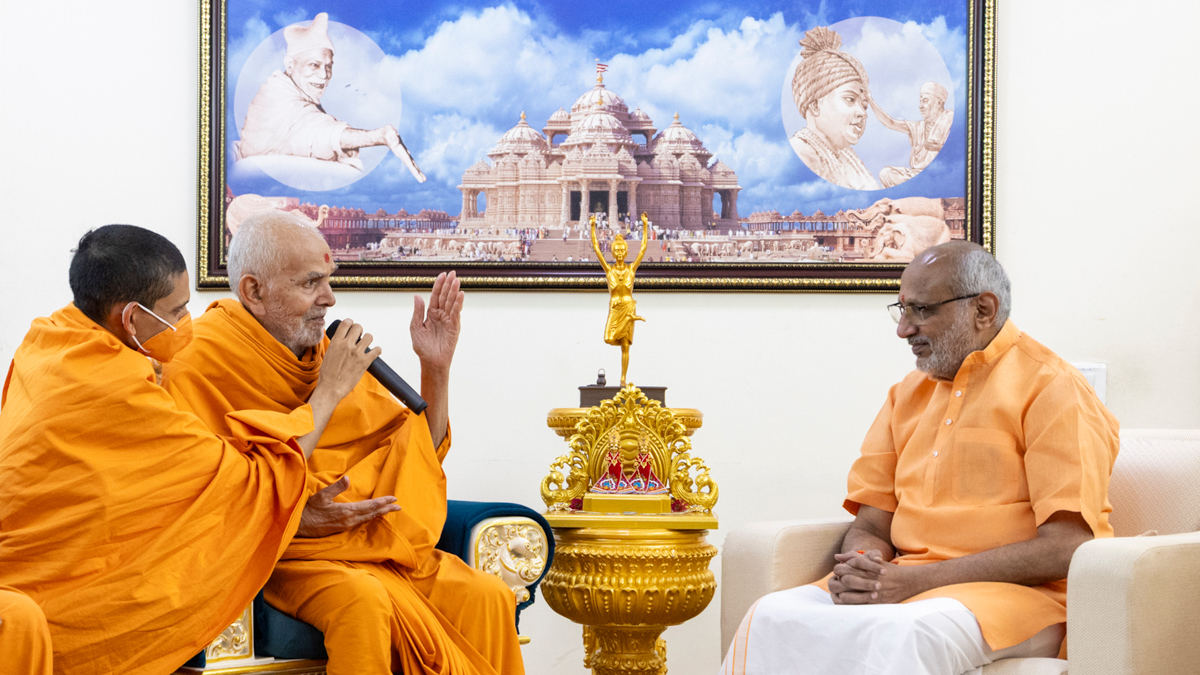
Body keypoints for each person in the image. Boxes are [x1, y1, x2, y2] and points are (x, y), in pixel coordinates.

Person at [722, 241, 1119, 675]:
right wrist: (863, 566)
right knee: (772, 616)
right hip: (905, 583)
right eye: (902, 309)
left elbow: (1069, 544)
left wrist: (914, 582)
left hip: (1020, 597)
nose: (904, 330)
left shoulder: (1053, 388)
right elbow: (873, 524)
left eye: (922, 311)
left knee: (902, 632)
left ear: (983, 310)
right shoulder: (906, 395)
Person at [0, 225, 377, 674]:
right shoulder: (116, 388)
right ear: (131, 317)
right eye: (177, 311)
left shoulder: (49, 340)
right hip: (49, 581)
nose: (186, 324)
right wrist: (330, 390)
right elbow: (247, 479)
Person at [163, 212, 523, 675]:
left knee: (486, 594)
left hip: (366, 543)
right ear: (254, 291)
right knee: (363, 602)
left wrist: (435, 370)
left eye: (328, 280)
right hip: (283, 555)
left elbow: (415, 455)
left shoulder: (328, 354)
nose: (329, 298)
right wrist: (298, 513)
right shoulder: (198, 363)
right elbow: (209, 496)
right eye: (311, 283)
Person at [236, 13, 425, 182]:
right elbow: (321, 134)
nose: (325, 75)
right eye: (314, 65)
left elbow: (317, 128)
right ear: (290, 64)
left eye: (329, 66)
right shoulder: (276, 95)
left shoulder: (298, 94)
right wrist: (378, 136)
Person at [789, 26, 880, 190]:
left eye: (864, 106)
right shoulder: (801, 152)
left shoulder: (849, 159)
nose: (862, 113)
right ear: (815, 105)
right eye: (850, 99)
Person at [591, 213, 650, 386]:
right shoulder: (609, 270)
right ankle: (627, 324)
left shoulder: (631, 269)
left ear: (626, 252)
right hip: (616, 309)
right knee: (609, 338)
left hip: (628, 306)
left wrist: (645, 226)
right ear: (612, 252)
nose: (619, 253)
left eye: (622, 250)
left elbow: (644, 247)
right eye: (616, 250)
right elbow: (596, 248)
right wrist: (593, 227)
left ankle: (623, 378)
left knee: (625, 346)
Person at [873, 82, 954, 188]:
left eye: (925, 100)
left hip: (938, 175)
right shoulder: (918, 126)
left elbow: (959, 152)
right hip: (916, 174)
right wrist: (870, 100)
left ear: (939, 103)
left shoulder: (949, 118)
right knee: (885, 173)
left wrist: (940, 147)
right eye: (920, 101)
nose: (920, 106)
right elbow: (890, 122)